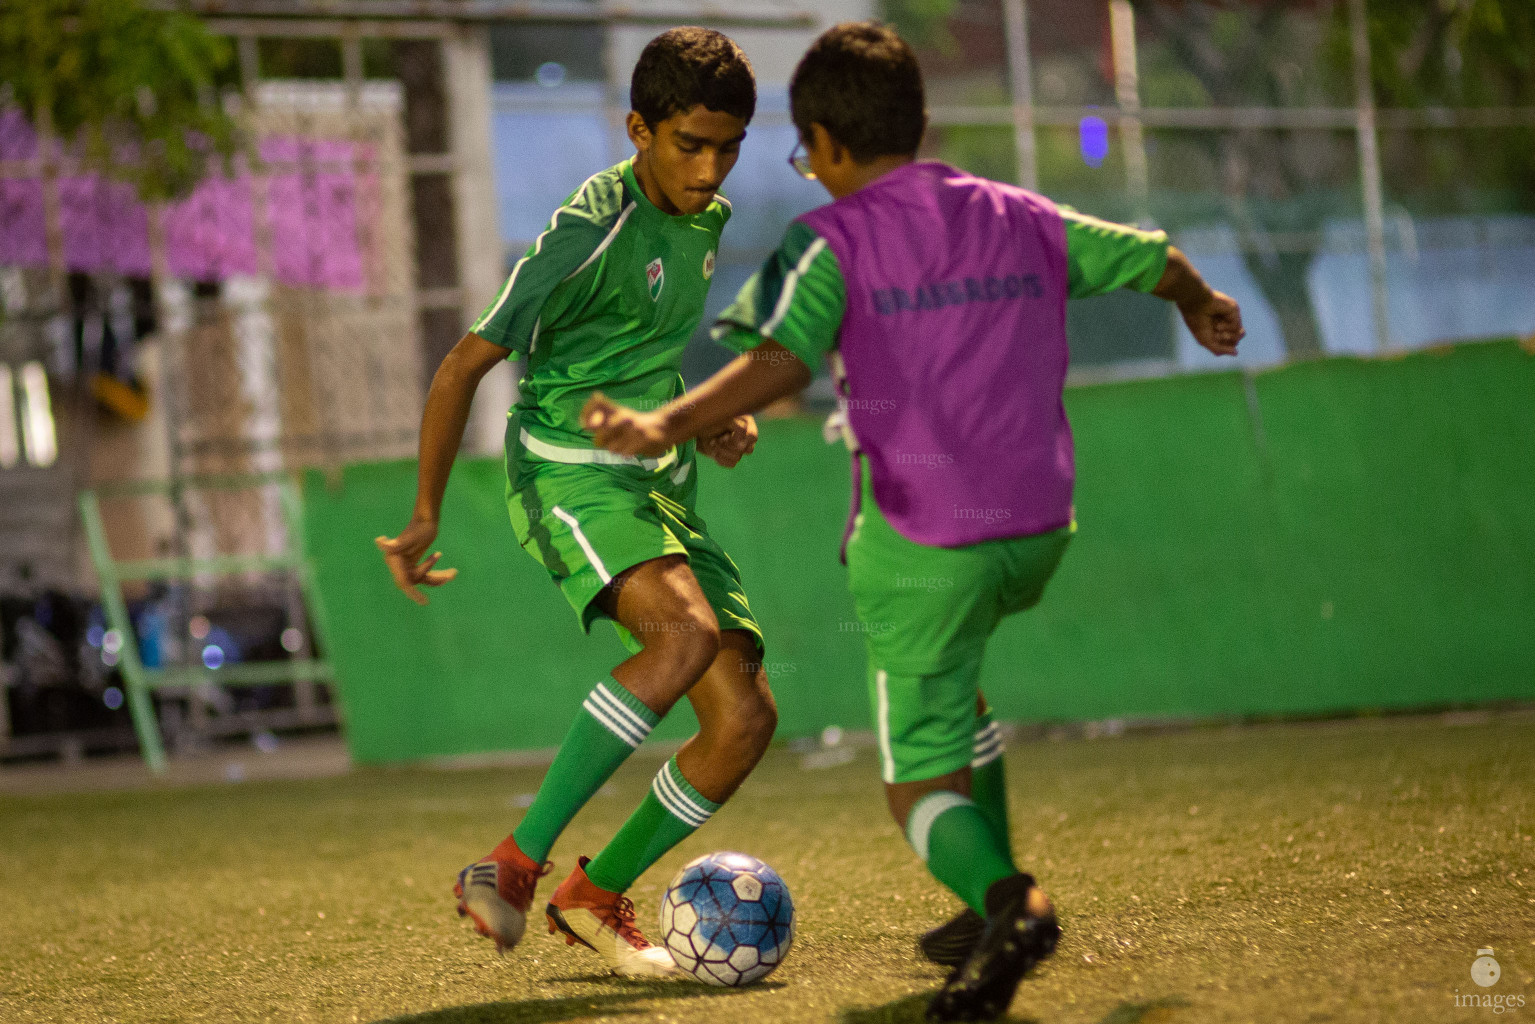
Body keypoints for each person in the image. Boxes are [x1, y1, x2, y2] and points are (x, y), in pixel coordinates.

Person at [581, 21, 1244, 1019]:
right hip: (1037, 529)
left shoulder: (831, 240)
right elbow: (1151, 257)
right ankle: (989, 903)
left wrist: (665, 421)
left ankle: (1007, 902)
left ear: (826, 146)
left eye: (803, 155)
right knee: (958, 692)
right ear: (918, 123)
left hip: (925, 547)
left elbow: (780, 362)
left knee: (912, 784)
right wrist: (1201, 303)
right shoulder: (1020, 214)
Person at [374, 27, 776, 980]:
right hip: (571, 468)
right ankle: (509, 865)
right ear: (638, 128)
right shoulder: (586, 225)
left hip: (659, 476)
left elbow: (643, 341)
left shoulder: (704, 217)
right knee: (678, 641)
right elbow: (463, 363)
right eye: (690, 144)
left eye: (728, 147)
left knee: (744, 721)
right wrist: (426, 510)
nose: (710, 167)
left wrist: (706, 421)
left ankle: (593, 895)